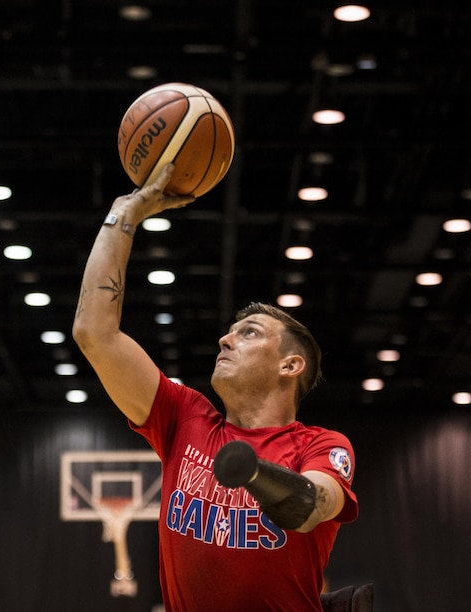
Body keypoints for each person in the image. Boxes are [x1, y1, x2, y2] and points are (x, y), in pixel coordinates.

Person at [72, 164, 358, 611]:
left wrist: (252, 473)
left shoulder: (321, 444)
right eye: (230, 331)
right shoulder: (184, 418)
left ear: (291, 364)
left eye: (249, 333)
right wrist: (122, 215)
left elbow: (311, 506)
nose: (226, 338)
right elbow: (94, 333)